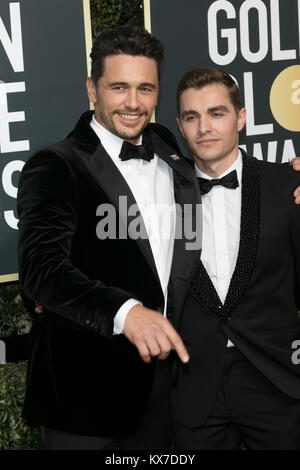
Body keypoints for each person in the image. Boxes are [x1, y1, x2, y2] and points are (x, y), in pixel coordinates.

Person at [17, 25, 196, 450]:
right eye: (118, 87)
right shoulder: (55, 165)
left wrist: (283, 178)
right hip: (83, 402)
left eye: (145, 89)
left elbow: (213, 174)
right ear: (92, 90)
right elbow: (42, 270)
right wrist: (126, 311)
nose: (133, 103)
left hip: (161, 396)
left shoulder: (165, 144)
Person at [170, 66, 300, 450]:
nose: (204, 127)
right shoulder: (163, 198)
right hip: (195, 387)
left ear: (241, 117)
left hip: (275, 379)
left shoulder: (287, 186)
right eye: (192, 117)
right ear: (179, 125)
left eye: (217, 113)